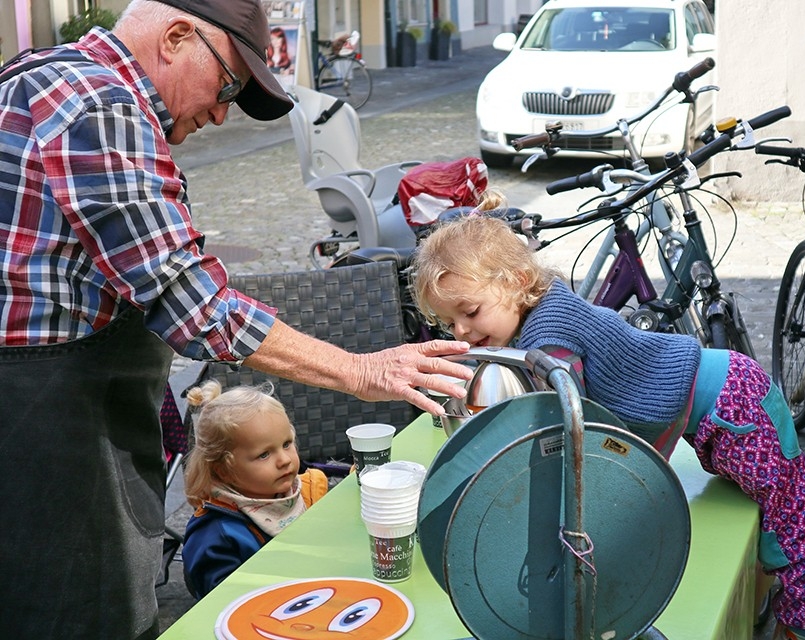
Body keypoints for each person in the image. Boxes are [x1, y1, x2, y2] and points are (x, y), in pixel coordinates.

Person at [0, 0, 469, 637]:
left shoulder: (40, 74)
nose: (221, 114)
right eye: (226, 87)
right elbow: (191, 303)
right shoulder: (101, 103)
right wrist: (361, 368)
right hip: (51, 427)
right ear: (175, 36)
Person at [411, 214, 805, 640]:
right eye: (448, 323)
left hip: (729, 405)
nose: (460, 332)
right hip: (725, 393)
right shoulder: (543, 307)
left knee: (787, 524)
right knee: (800, 490)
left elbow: (568, 427)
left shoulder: (548, 334)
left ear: (516, 282)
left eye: (470, 312)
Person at [180, 380, 327, 598]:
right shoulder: (217, 534)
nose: (284, 460)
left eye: (287, 444)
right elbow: (220, 602)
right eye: (264, 455)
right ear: (223, 469)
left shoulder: (308, 491)